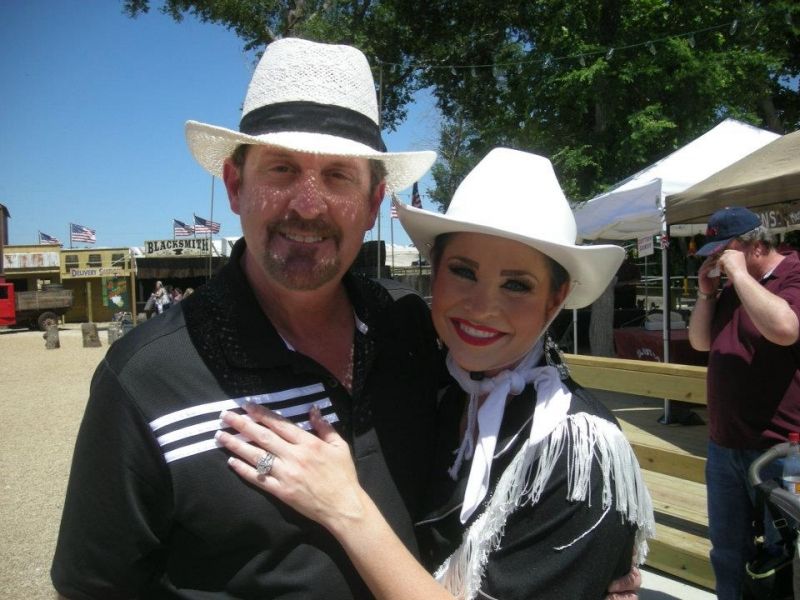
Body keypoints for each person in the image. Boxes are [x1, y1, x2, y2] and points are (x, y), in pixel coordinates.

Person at [51, 38, 440, 599]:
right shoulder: (146, 377)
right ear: (235, 186)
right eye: (282, 169)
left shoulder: (411, 329)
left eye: (338, 176)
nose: (307, 206)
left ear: (374, 203)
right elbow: (94, 588)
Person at [216, 148, 656, 599]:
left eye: (516, 284)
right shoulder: (438, 382)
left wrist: (344, 507)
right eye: (463, 272)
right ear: (435, 271)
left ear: (555, 298)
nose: (482, 307)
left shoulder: (578, 450)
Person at [687, 206, 800, 600]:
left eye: (724, 251)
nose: (718, 260)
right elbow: (700, 342)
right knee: (727, 552)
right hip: (725, 445)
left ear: (755, 247)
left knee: (783, 555)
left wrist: (738, 275)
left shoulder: (792, 274)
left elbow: (785, 329)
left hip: (781, 448)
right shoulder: (736, 285)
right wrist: (707, 294)